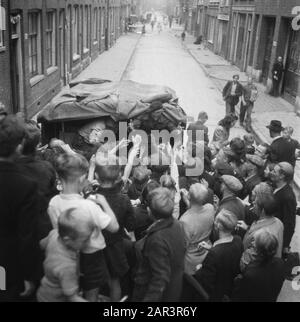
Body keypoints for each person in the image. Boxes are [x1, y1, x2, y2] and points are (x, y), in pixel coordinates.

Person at [48, 153, 119, 302]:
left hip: (68, 255)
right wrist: (104, 202)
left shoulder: (54, 202)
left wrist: (91, 167)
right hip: (92, 257)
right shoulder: (89, 206)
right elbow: (113, 227)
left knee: (73, 290)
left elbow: (57, 232)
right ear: (81, 178)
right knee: (91, 293)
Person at [0, 116, 39, 302]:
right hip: (8, 267)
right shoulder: (25, 186)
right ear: (18, 148)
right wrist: (29, 276)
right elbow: (27, 238)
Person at [132, 188, 185, 302]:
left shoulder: (157, 239)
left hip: (160, 294)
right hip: (175, 286)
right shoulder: (177, 224)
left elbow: (160, 278)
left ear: (149, 211)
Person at [94, 158, 135, 302]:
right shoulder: (124, 199)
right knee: (114, 282)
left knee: (91, 284)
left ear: (96, 176)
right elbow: (130, 226)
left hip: (92, 247)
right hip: (115, 248)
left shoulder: (91, 198)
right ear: (118, 176)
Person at [37, 209, 95, 302]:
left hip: (44, 291)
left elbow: (41, 244)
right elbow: (72, 297)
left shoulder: (54, 233)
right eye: (85, 240)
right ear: (67, 240)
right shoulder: (67, 267)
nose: (89, 242)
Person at [195, 210, 244, 302]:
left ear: (219, 226)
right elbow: (227, 254)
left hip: (217, 293)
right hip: (230, 287)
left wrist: (199, 269)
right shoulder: (238, 240)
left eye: (216, 221)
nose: (214, 222)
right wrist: (211, 248)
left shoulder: (214, 254)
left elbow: (207, 283)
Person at [238, 183, 284, 272]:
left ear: (262, 210)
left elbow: (246, 263)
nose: (253, 205)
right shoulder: (279, 222)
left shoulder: (261, 235)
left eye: (255, 204)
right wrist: (247, 228)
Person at [232, 230, 285, 302]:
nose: (252, 243)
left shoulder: (251, 272)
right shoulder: (280, 263)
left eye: (254, 242)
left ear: (259, 249)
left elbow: (241, 295)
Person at [179, 184, 215, 275]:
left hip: (191, 260)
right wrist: (188, 201)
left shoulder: (184, 220)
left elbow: (183, 245)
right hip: (207, 252)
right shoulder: (210, 208)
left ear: (188, 196)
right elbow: (197, 212)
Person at [270, 162, 297, 257]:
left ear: (282, 176)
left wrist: (285, 245)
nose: (271, 172)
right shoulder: (276, 187)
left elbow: (289, 223)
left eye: (274, 171)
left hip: (277, 237)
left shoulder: (288, 197)